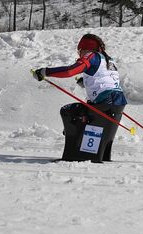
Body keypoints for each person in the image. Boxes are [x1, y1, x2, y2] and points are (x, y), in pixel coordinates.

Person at [31, 33, 127, 162]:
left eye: (79, 51)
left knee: (69, 112)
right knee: (85, 115)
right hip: (117, 100)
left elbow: (70, 71)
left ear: (85, 48)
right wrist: (86, 81)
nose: (79, 54)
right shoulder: (108, 59)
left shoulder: (90, 55)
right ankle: (99, 153)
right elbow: (105, 77)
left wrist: (44, 72)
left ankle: (76, 153)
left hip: (105, 100)